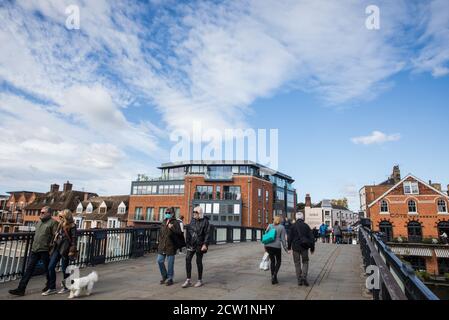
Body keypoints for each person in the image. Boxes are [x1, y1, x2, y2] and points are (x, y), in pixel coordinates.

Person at [9, 206, 58, 296]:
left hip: (45, 250)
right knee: (29, 269)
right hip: (35, 249)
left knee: (48, 269)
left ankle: (50, 285)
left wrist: (51, 248)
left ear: (49, 213)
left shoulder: (53, 223)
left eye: (43, 212)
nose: (41, 213)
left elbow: (56, 237)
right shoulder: (39, 222)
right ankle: (21, 289)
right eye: (41, 212)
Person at [45, 209, 78, 295]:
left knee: (64, 269)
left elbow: (74, 239)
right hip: (57, 247)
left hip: (65, 249)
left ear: (66, 216)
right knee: (51, 267)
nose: (60, 218)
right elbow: (56, 234)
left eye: (61, 216)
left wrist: (72, 250)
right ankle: (52, 287)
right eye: (60, 216)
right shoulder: (60, 224)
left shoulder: (72, 226)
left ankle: (66, 287)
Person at [182, 206, 210, 288]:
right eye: (194, 213)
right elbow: (189, 232)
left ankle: (200, 280)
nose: (194, 214)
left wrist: (205, 244)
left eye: (196, 213)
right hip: (191, 244)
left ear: (200, 214)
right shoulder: (192, 221)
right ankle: (188, 280)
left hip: (200, 244)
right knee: (187, 259)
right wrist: (187, 244)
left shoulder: (205, 221)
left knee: (198, 261)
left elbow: (207, 234)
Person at [157, 207, 183, 286]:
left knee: (170, 263)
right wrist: (158, 241)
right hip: (162, 245)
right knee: (159, 260)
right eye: (166, 212)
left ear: (172, 214)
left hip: (171, 245)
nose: (167, 214)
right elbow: (161, 233)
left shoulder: (176, 222)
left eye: (169, 213)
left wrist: (172, 228)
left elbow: (179, 233)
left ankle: (170, 278)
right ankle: (164, 275)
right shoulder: (164, 222)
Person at [288, 212, 315, 286]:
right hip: (304, 247)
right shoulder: (306, 226)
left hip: (295, 247)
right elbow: (311, 238)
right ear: (303, 218)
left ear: (296, 218)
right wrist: (312, 248)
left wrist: (289, 248)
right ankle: (304, 277)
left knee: (297, 263)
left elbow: (289, 238)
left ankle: (299, 280)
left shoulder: (293, 226)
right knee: (305, 262)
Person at [264, 216, 288, 285]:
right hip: (277, 247)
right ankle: (274, 274)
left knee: (272, 261)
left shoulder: (270, 225)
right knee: (279, 261)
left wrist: (265, 245)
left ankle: (274, 277)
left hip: (268, 246)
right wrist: (286, 249)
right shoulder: (282, 227)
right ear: (279, 221)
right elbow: (283, 240)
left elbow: (265, 235)